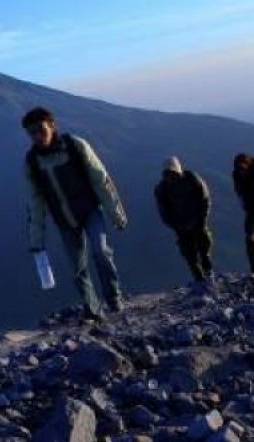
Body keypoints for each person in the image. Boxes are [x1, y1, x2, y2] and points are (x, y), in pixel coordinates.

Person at [22, 107, 128, 321]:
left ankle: (113, 297)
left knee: (100, 252)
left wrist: (116, 213)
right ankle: (93, 309)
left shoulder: (75, 146)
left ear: (52, 126)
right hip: (65, 220)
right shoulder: (32, 162)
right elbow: (35, 202)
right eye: (31, 133)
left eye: (40, 130)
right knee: (78, 268)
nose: (37, 137)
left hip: (89, 211)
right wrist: (36, 239)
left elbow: (101, 179)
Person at [154, 156, 214, 287]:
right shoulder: (162, 190)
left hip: (197, 220)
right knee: (189, 253)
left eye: (173, 173)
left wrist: (202, 219)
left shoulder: (192, 179)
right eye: (168, 174)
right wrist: (179, 226)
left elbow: (205, 199)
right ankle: (200, 279)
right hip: (181, 226)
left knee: (204, 243)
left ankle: (208, 269)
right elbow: (164, 215)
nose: (171, 177)